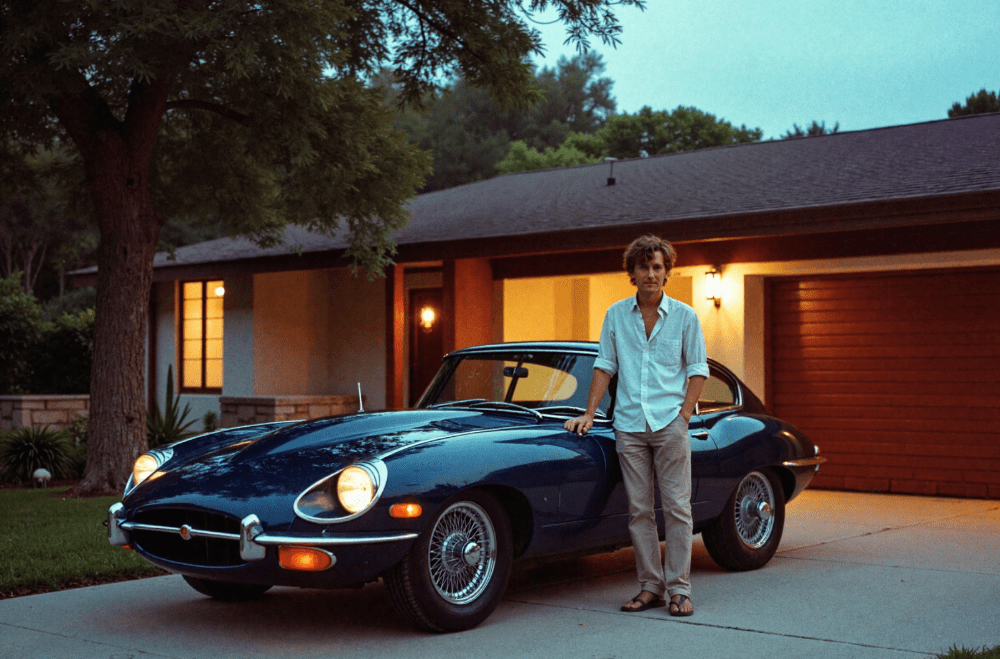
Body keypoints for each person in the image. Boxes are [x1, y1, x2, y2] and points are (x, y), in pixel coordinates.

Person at [564, 234, 708, 617]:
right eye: (643, 266)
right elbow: (605, 366)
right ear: (632, 272)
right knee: (639, 511)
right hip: (628, 425)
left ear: (667, 272)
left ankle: (679, 590)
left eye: (658, 267)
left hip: (669, 424)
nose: (651, 273)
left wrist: (684, 417)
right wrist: (590, 413)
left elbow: (697, 371)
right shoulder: (615, 315)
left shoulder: (685, 317)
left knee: (677, 509)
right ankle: (650, 587)